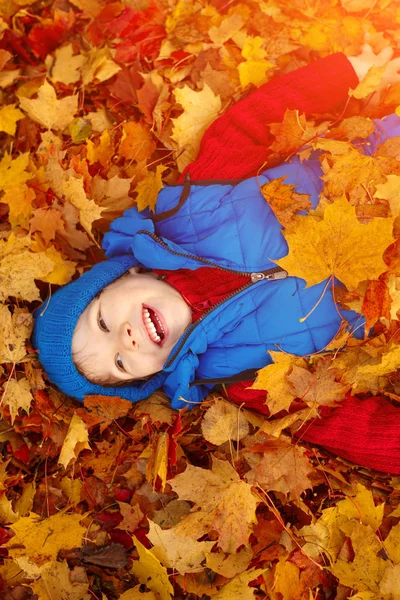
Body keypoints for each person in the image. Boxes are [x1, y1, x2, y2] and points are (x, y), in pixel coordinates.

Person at [32, 45, 400, 474]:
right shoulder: (240, 374)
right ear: (152, 375)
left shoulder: (195, 211)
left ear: (122, 275)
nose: (126, 337)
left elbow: (250, 124)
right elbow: (342, 424)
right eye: (120, 362)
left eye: (102, 322)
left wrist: (345, 73)